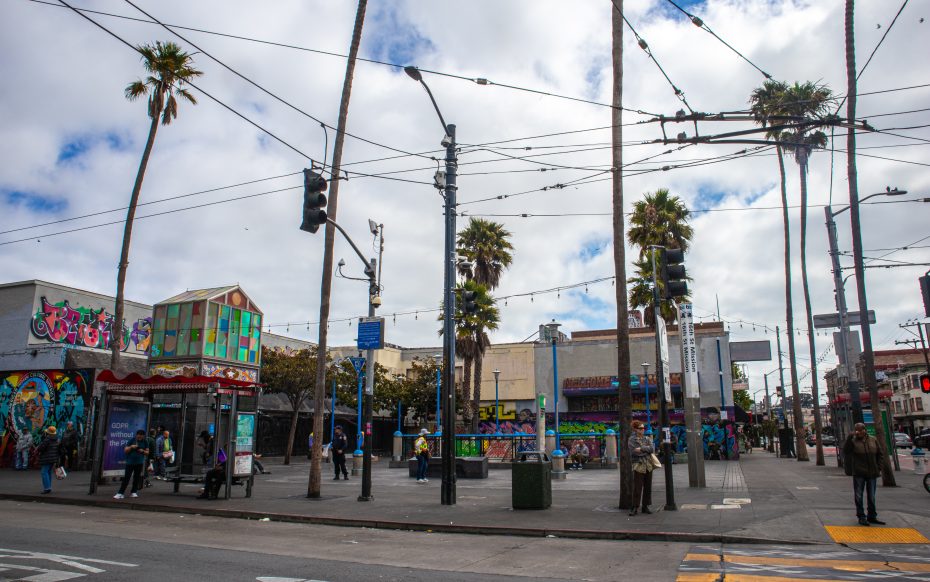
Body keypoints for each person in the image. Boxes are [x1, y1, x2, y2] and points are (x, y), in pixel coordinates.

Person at [843, 422, 886, 526]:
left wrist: (879, 467)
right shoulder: (853, 441)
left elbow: (880, 454)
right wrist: (849, 438)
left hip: (872, 472)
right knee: (859, 495)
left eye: (861, 430)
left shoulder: (873, 439)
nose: (859, 432)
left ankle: (872, 516)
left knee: (871, 495)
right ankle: (861, 516)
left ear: (865, 430)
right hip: (859, 472)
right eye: (857, 430)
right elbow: (846, 451)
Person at [629, 420, 655, 516]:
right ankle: (635, 507)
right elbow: (634, 451)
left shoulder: (647, 438)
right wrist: (646, 449)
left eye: (643, 428)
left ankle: (645, 506)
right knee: (637, 487)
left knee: (648, 487)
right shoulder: (632, 439)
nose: (643, 430)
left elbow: (652, 449)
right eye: (640, 428)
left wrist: (642, 449)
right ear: (635, 429)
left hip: (648, 465)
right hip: (638, 465)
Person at [114, 429, 148, 499]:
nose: (140, 438)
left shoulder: (145, 441)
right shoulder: (132, 440)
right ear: (136, 435)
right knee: (126, 477)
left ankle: (133, 492)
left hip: (139, 462)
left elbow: (147, 452)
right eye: (138, 436)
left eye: (141, 437)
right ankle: (120, 493)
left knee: (136, 478)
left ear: (143, 436)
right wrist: (131, 447)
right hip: (130, 462)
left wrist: (142, 451)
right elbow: (125, 450)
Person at [36, 426, 60, 494]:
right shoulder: (56, 439)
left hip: (46, 457)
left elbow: (41, 448)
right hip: (53, 457)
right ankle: (48, 486)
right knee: (48, 472)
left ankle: (47, 488)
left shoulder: (47, 439)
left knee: (44, 472)